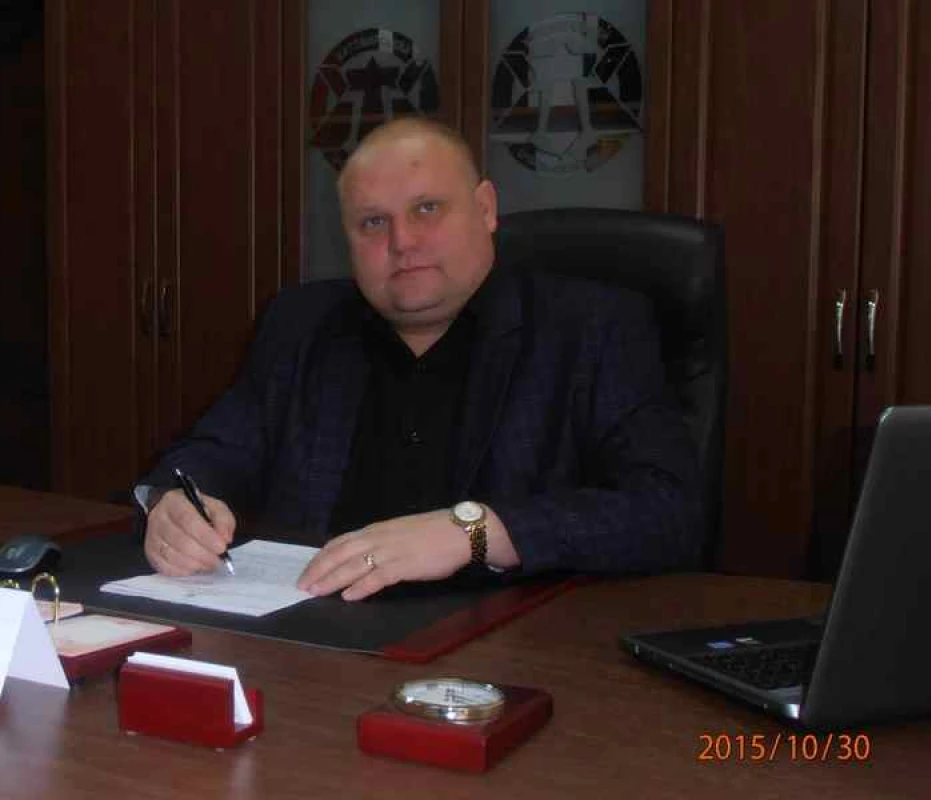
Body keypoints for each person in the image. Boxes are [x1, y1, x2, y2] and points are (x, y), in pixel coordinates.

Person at [133, 116, 701, 601]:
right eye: (373, 222)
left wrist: (475, 532)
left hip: (511, 647)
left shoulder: (592, 329)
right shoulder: (302, 325)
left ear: (486, 209)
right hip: (316, 642)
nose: (402, 242)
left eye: (427, 209)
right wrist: (173, 505)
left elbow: (669, 512)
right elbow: (213, 451)